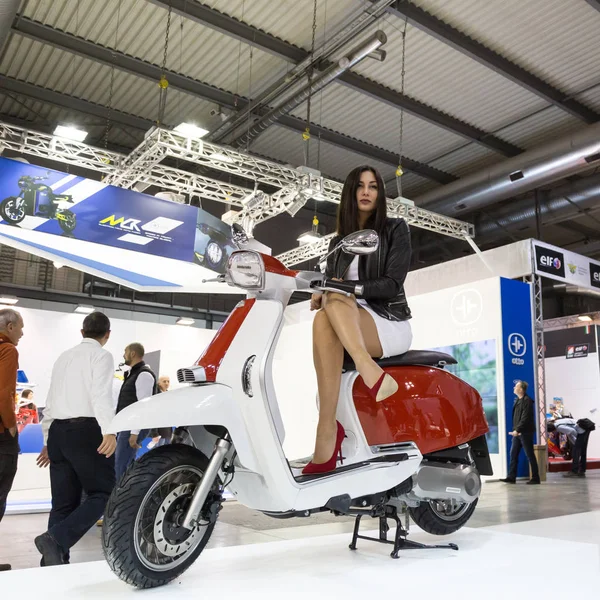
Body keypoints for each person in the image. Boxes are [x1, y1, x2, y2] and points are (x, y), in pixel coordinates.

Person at [302, 165, 412, 475]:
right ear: (350, 193)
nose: (366, 192)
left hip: (387, 321)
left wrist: (339, 288)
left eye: (373, 186)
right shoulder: (337, 242)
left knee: (336, 299)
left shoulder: (394, 229)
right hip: (345, 321)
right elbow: (330, 286)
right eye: (360, 186)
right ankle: (334, 422)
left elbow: (392, 283)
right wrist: (321, 292)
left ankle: (329, 431)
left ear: (379, 193)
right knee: (323, 317)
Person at [34, 311, 117, 566]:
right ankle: (57, 539)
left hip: (58, 432)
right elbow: (100, 394)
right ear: (107, 335)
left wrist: (48, 439)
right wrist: (110, 430)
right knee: (104, 493)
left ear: (82, 332)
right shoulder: (101, 356)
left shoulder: (64, 357)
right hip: (85, 431)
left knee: (62, 502)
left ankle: (53, 563)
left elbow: (50, 399)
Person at [0, 308, 24, 572]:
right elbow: (4, 392)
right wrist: (11, 426)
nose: (22, 332)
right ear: (8, 327)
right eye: (19, 327)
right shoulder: (8, 350)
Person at [114, 343, 157, 480]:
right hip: (127, 425)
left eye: (125, 352)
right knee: (124, 463)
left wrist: (134, 433)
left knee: (121, 465)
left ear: (132, 354)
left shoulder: (143, 374)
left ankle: (120, 496)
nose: (123, 355)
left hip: (132, 426)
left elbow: (142, 406)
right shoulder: (133, 373)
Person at [501, 381, 540, 485]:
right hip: (517, 433)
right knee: (513, 454)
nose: (514, 387)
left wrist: (517, 430)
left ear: (521, 390)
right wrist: (516, 430)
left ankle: (536, 478)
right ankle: (511, 477)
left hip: (525, 432)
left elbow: (525, 418)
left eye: (516, 386)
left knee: (529, 454)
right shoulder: (517, 400)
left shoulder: (527, 401)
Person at [149, 375, 172, 447]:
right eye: (164, 381)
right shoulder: (155, 396)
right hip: (159, 432)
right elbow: (153, 414)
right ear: (159, 383)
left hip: (167, 431)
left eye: (168, 381)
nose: (166, 383)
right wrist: (155, 433)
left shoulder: (170, 396)